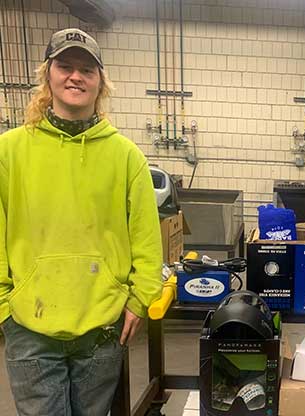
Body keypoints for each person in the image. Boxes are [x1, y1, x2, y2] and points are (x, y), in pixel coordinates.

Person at [0, 28, 162, 415]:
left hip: (101, 329)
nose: (76, 76)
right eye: (65, 66)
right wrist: (4, 308)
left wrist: (139, 301)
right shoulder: (10, 151)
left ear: (100, 81)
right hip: (29, 328)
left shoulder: (125, 157)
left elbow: (146, 237)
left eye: (86, 69)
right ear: (48, 75)